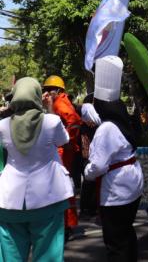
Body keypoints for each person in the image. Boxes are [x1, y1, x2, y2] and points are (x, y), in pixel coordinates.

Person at [0, 77, 74, 261]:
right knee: (48, 256)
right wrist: (49, 108)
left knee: (11, 256)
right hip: (48, 198)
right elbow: (64, 140)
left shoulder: (2, 126)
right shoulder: (52, 121)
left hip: (9, 200)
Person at [84, 56, 143, 261]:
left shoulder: (106, 128)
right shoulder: (121, 119)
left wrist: (86, 172)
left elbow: (98, 166)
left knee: (115, 243)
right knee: (126, 234)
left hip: (117, 190)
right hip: (131, 184)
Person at [42, 74, 82, 234]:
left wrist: (67, 142)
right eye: (45, 89)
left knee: (60, 187)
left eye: (50, 89)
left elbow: (74, 122)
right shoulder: (58, 102)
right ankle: (66, 223)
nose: (47, 92)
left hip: (62, 152)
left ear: (58, 90)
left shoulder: (60, 103)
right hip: (63, 150)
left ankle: (65, 224)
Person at [79, 102, 101, 216]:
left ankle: (92, 207)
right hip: (87, 158)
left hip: (94, 156)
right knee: (88, 183)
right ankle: (86, 208)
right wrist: (87, 159)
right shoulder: (83, 126)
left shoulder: (97, 125)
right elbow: (84, 145)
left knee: (93, 183)